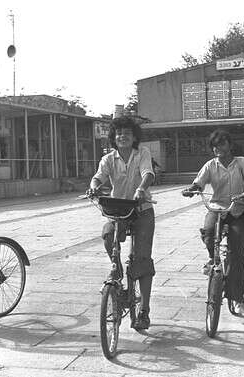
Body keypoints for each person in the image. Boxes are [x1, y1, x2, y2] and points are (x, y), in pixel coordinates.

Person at [182, 129, 244, 315]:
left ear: (230, 145)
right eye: (215, 145)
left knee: (237, 255)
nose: (218, 148)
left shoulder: (242, 162)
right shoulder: (210, 165)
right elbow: (199, 183)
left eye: (222, 144)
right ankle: (212, 259)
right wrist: (192, 189)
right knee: (208, 232)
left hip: (237, 210)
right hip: (217, 208)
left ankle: (238, 300)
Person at [87, 116, 156, 330]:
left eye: (127, 133)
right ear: (113, 138)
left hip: (141, 209)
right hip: (119, 210)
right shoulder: (108, 159)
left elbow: (148, 173)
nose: (122, 136)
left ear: (134, 136)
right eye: (118, 133)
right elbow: (98, 177)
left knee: (142, 260)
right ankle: (116, 272)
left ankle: (143, 311)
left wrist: (141, 189)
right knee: (108, 234)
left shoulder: (142, 153)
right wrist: (94, 187)